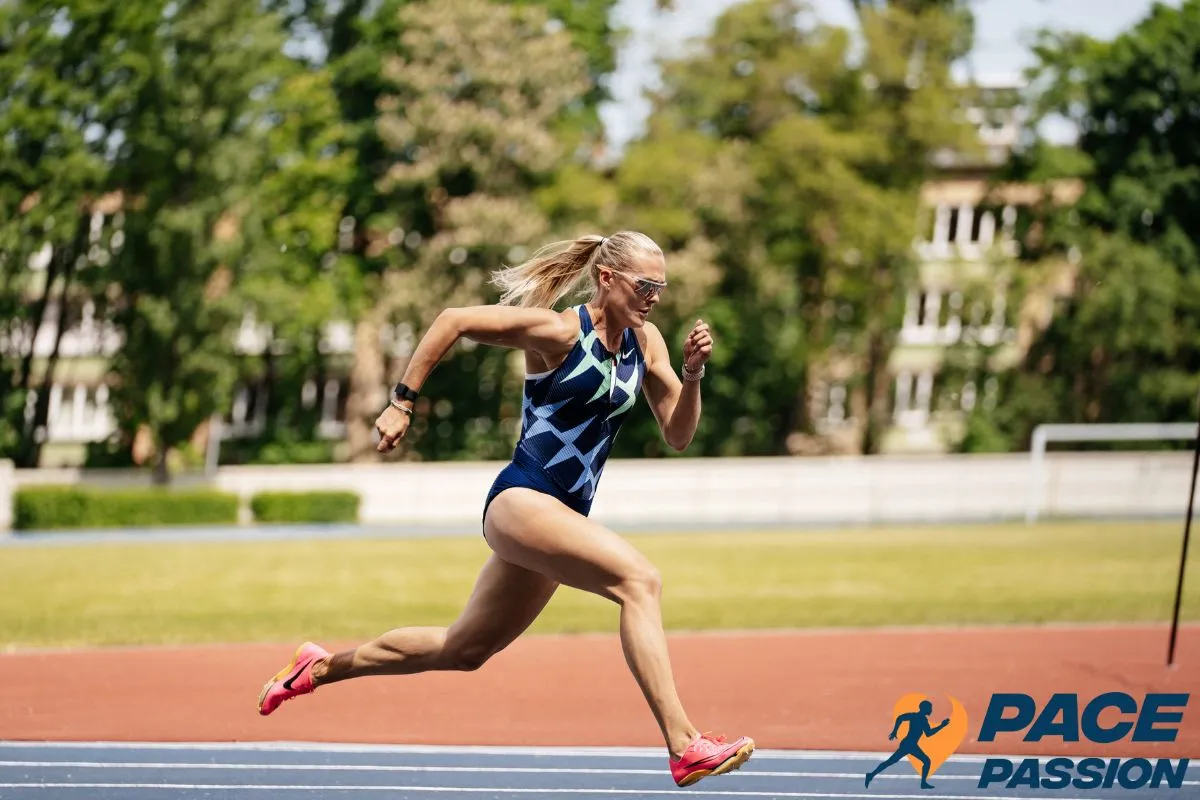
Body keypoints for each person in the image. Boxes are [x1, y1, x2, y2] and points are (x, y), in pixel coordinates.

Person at [256, 231, 755, 787]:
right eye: (645, 284)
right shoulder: (559, 332)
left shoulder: (649, 343)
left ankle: (318, 668)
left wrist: (691, 375)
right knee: (640, 581)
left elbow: (678, 434)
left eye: (661, 286)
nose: (655, 296)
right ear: (607, 279)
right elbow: (453, 320)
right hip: (523, 500)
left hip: (562, 515)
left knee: (465, 648)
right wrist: (402, 401)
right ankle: (685, 745)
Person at [864, 700, 949, 789]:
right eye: (930, 708)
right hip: (909, 745)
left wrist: (895, 731)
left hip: (909, 744)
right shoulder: (922, 719)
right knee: (926, 761)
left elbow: (900, 718)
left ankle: (871, 775)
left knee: (891, 761)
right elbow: (929, 734)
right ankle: (923, 783)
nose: (931, 710)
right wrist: (942, 726)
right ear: (925, 709)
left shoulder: (914, 716)